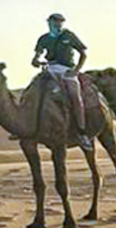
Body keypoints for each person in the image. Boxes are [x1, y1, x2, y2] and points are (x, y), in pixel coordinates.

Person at [31, 12, 91, 151]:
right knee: (32, 92)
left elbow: (83, 53)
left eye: (59, 22)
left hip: (67, 70)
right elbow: (36, 57)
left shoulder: (68, 36)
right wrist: (36, 61)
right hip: (50, 69)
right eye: (54, 22)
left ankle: (82, 132)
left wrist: (76, 70)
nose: (57, 24)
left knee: (75, 97)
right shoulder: (44, 39)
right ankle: (26, 128)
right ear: (49, 23)